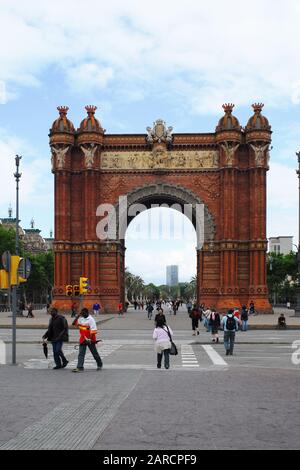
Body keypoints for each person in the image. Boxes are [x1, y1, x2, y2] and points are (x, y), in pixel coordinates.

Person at [72, 308, 103, 372]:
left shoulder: (91, 320)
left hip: (90, 339)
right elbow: (73, 324)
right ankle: (80, 367)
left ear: (87, 313)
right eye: (81, 313)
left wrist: (89, 339)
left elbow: (93, 330)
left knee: (94, 353)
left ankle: (99, 364)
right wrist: (77, 316)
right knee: (81, 353)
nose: (82, 314)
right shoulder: (81, 319)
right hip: (83, 339)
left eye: (83, 313)